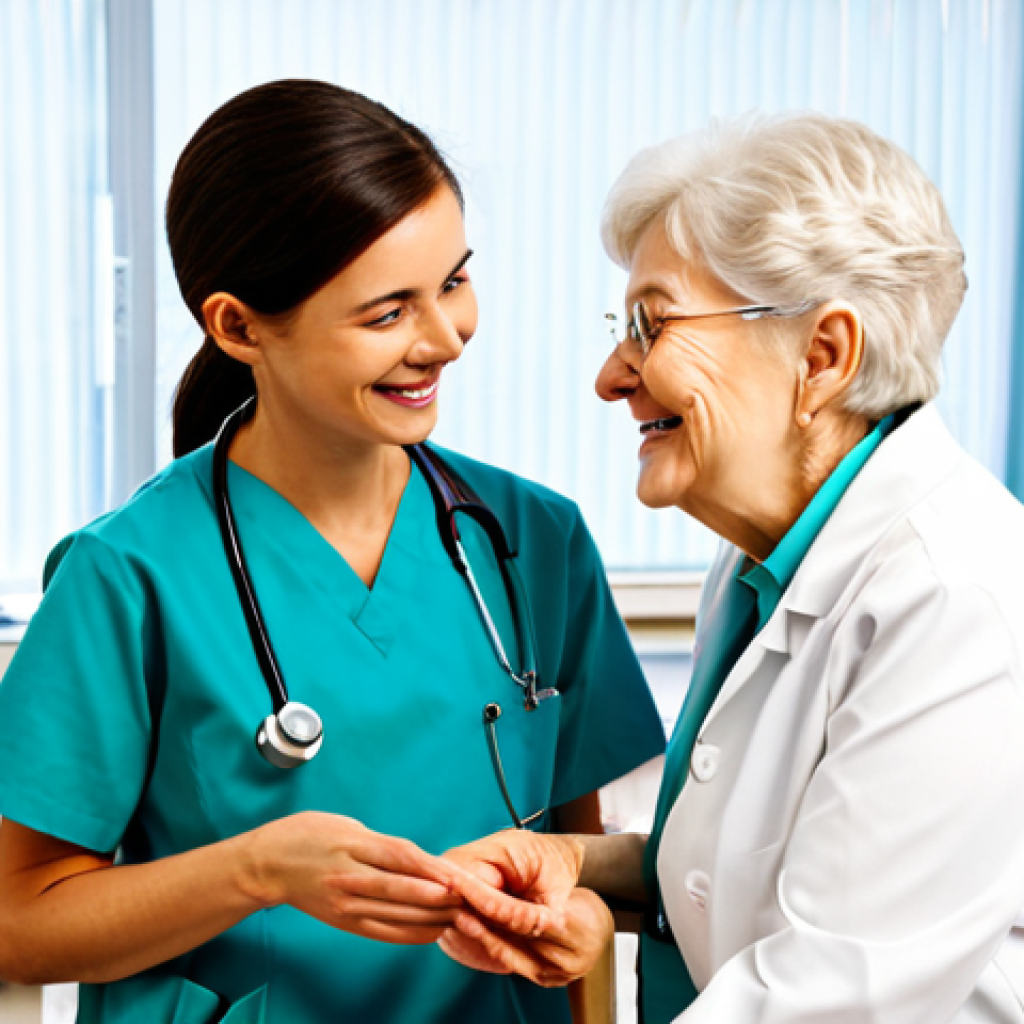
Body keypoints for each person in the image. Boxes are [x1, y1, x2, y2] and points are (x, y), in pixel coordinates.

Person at [0, 79, 665, 1024]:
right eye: (387, 312)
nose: (444, 339)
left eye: (453, 282)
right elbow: (20, 918)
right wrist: (261, 868)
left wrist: (580, 922)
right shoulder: (128, 575)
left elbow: (573, 862)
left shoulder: (532, 541)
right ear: (238, 327)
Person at [438, 112, 1024, 1023]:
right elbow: (751, 868)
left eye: (652, 324)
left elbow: (831, 991)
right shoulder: (764, 561)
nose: (610, 374)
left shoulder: (957, 598)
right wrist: (580, 863)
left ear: (822, 358)